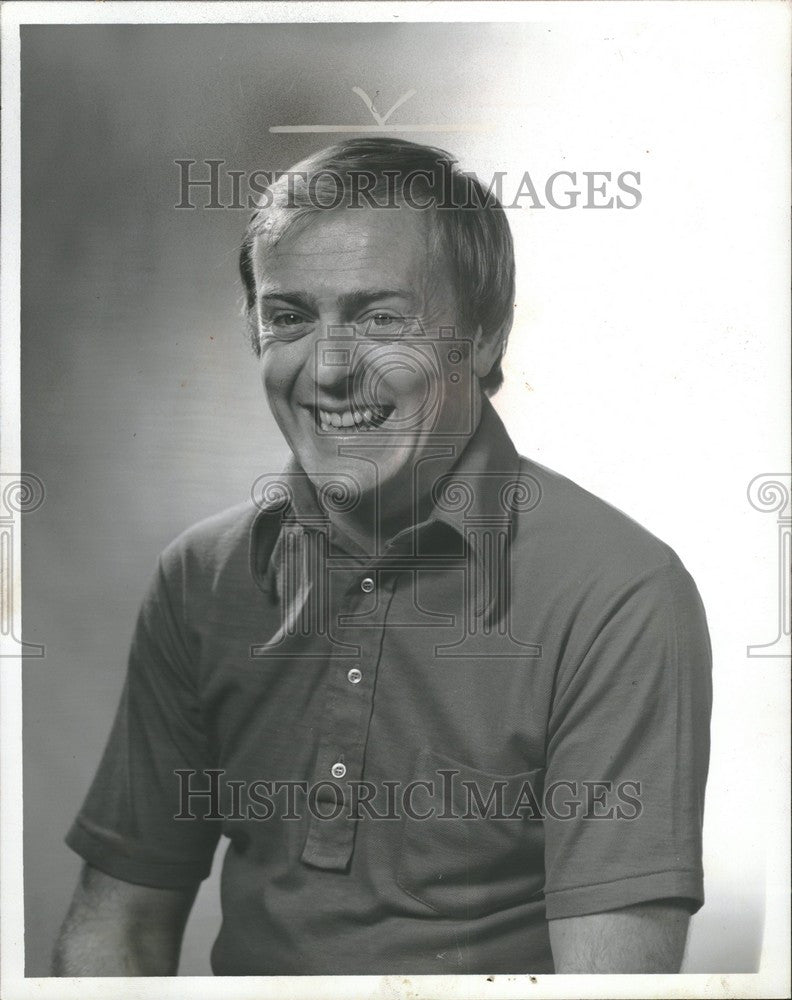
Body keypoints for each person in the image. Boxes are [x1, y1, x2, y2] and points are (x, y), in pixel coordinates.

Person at [53, 138, 712, 976]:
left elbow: (611, 988)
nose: (328, 369)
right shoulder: (202, 577)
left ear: (482, 336)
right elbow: (120, 927)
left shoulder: (619, 594)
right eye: (289, 317)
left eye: (380, 318)